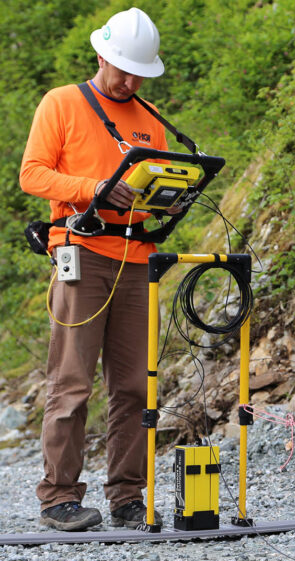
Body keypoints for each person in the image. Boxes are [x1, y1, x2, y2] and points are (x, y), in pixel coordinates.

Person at [19, 7, 170, 531]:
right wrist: (93, 188)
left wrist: (169, 201)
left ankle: (128, 495)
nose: (130, 81)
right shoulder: (61, 102)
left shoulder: (152, 122)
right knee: (73, 382)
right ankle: (59, 496)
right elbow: (32, 174)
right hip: (81, 258)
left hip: (137, 263)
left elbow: (152, 194)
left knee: (132, 386)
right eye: (124, 70)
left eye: (140, 74)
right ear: (101, 55)